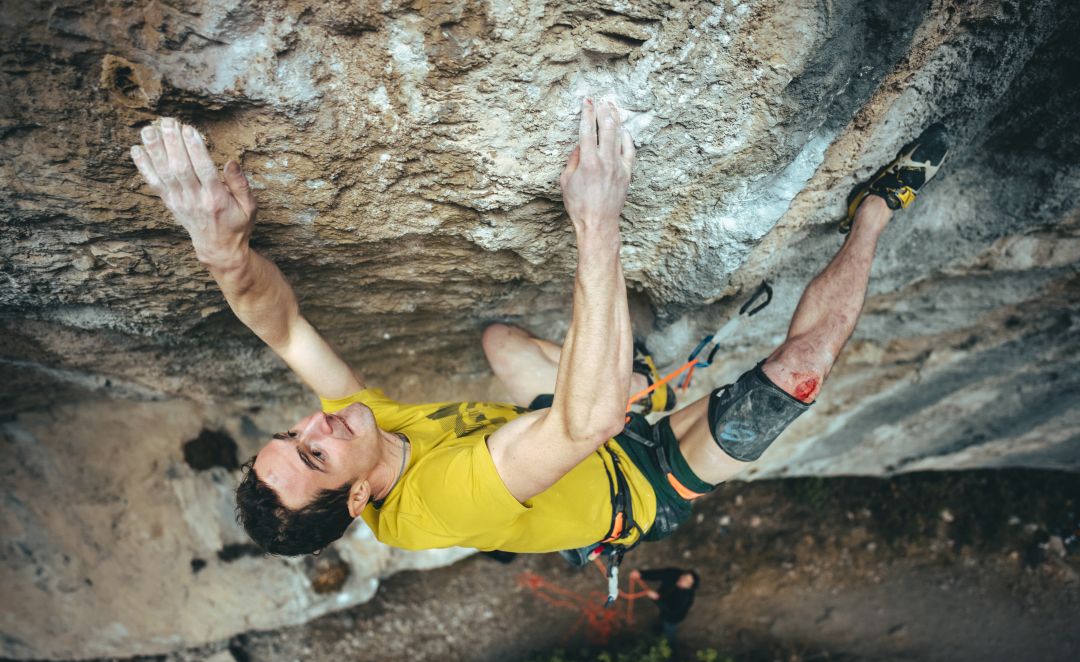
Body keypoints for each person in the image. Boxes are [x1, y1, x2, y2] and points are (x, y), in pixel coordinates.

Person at [128, 103, 949, 560]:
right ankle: (875, 213)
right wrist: (598, 222)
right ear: (354, 496)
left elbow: (287, 326)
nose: (315, 421)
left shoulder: (364, 432)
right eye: (313, 452)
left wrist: (224, 251)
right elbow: (584, 426)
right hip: (644, 486)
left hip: (568, 431)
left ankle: (634, 374)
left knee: (500, 345)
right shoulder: (434, 506)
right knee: (800, 366)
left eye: (292, 430)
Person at [630, 568, 700, 642]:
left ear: (690, 586)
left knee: (669, 629)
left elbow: (671, 609)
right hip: (664, 606)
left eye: (687, 582)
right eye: (684, 577)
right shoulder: (673, 573)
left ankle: (671, 647)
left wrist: (657, 598)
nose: (683, 581)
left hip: (673, 617)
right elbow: (658, 574)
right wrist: (641, 574)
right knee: (662, 618)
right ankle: (660, 628)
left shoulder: (685, 597)